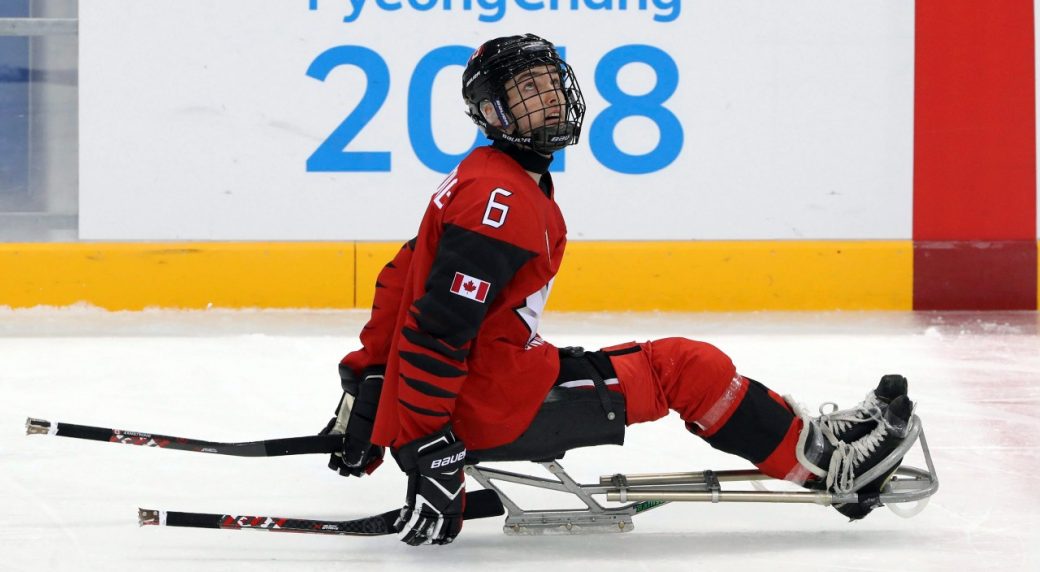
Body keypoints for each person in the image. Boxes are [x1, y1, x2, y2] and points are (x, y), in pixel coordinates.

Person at [320, 33, 917, 546]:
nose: (547, 99)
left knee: (673, 364)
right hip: (487, 404)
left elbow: (399, 284)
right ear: (492, 113)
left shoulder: (483, 180)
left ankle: (810, 438)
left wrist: (366, 387)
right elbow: (438, 329)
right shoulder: (500, 203)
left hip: (489, 383)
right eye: (525, 93)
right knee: (687, 368)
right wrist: (427, 446)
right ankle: (834, 473)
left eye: (550, 84)